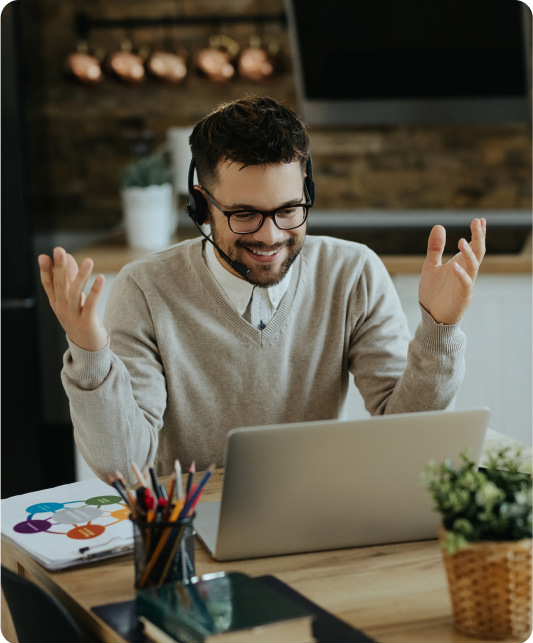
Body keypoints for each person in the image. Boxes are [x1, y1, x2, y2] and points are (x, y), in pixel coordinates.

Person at [38, 97, 486, 485]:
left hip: (318, 514)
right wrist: (91, 354)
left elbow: (400, 432)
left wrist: (439, 329)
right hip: (190, 530)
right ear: (201, 204)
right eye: (245, 214)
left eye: (289, 209)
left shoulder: (352, 273)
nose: (270, 236)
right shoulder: (145, 290)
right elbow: (124, 467)